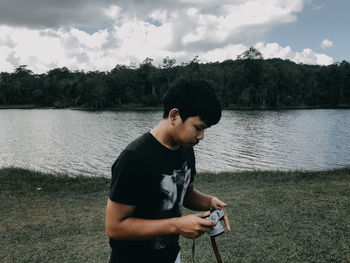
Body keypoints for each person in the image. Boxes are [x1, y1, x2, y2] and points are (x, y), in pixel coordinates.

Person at [105, 78, 231, 263]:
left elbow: (186, 193)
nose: (202, 136)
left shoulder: (186, 148)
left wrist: (209, 202)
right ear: (174, 116)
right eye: (198, 127)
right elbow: (115, 227)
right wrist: (177, 225)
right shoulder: (133, 158)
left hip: (171, 255)